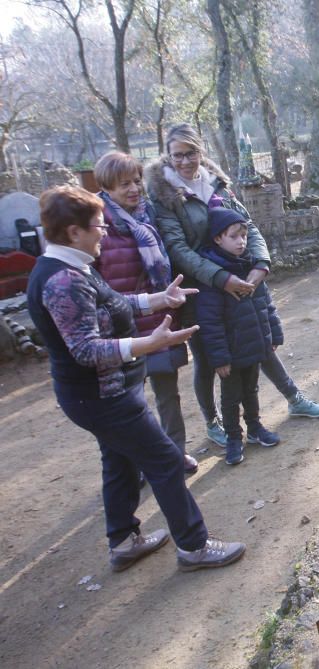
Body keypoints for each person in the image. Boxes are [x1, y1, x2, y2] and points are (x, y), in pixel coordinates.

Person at [26, 186, 245, 572]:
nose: (104, 232)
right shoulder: (63, 280)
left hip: (101, 395)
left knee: (119, 460)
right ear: (74, 232)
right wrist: (148, 343)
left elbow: (111, 302)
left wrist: (157, 299)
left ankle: (124, 541)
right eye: (97, 225)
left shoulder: (74, 266)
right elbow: (86, 349)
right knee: (163, 459)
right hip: (102, 398)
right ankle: (194, 547)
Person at [145, 123, 319, 450]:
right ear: (168, 156)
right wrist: (220, 278)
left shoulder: (219, 185)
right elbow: (178, 249)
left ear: (201, 152)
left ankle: (293, 397)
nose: (185, 161)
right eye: (178, 155)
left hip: (242, 276)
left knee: (257, 341)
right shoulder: (165, 197)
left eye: (191, 153)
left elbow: (250, 227)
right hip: (201, 289)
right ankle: (213, 421)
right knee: (208, 358)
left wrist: (261, 264)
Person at [91, 151, 198, 473]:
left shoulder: (150, 215)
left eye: (137, 181)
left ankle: (174, 454)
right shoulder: (95, 225)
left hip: (157, 320)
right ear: (107, 186)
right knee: (126, 404)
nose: (134, 189)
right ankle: (131, 466)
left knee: (168, 395)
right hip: (118, 329)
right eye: (125, 184)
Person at [196, 208, 283, 465]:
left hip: (255, 344)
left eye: (244, 236)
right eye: (234, 236)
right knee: (231, 397)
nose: (241, 241)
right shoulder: (214, 277)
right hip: (231, 354)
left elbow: (266, 304)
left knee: (252, 390)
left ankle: (255, 428)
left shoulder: (252, 266)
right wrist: (219, 358)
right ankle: (234, 438)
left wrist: (273, 334)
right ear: (217, 239)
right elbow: (210, 323)